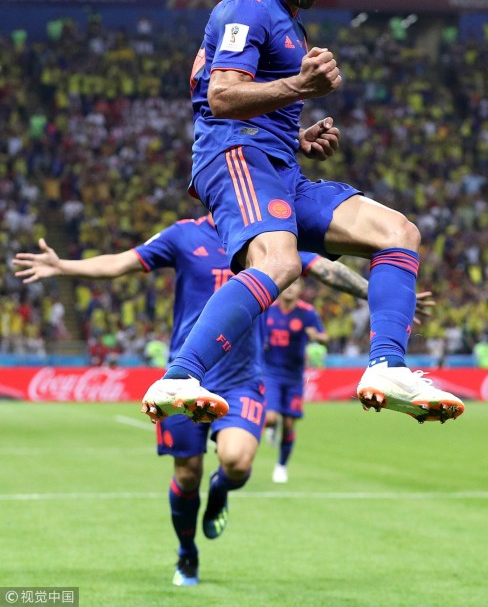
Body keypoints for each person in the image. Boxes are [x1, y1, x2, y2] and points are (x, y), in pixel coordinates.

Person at [142, 0, 464, 427]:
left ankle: (387, 367)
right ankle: (179, 375)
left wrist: (295, 136)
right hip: (234, 157)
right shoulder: (249, 6)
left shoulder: (287, 19)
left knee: (398, 232)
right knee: (280, 262)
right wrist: (299, 87)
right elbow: (221, 96)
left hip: (276, 165)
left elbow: (249, 99)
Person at [14, 221, 424, 584]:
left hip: (241, 380)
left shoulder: (267, 235)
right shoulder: (183, 235)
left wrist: (384, 292)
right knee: (186, 474)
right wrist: (63, 266)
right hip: (184, 381)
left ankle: (221, 490)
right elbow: (122, 262)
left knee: (237, 463)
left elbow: (324, 269)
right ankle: (187, 553)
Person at [262, 274, 327, 484]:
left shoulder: (307, 313)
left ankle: (281, 466)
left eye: (295, 284)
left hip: (294, 376)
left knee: (289, 424)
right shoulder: (268, 310)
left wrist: (315, 337)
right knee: (270, 418)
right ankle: (272, 427)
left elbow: (324, 337)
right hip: (270, 373)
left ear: (300, 289)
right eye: (288, 284)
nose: (290, 288)